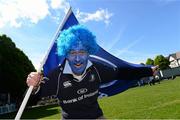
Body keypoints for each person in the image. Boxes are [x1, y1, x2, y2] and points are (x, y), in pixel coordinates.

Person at [26, 25, 158, 119]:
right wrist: (33, 86)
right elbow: (30, 100)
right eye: (72, 53)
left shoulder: (97, 69)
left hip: (96, 117)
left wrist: (147, 71)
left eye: (82, 52)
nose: (77, 58)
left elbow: (123, 72)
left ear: (89, 52)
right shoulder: (57, 76)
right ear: (65, 54)